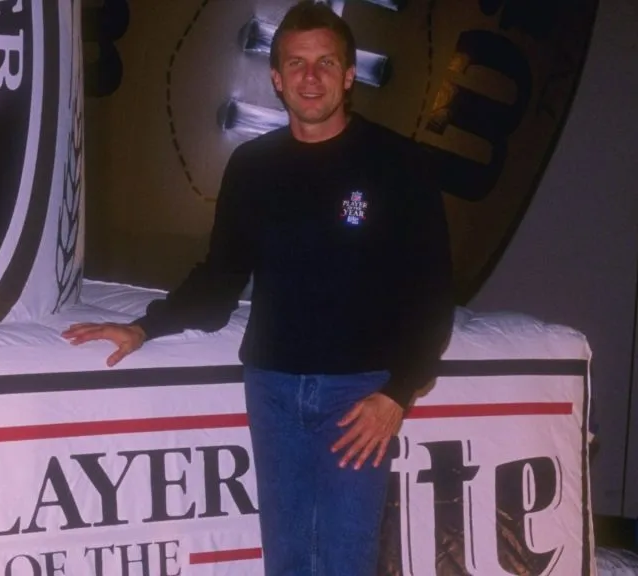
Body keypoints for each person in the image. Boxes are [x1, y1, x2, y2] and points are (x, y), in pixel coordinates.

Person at [62, 1, 455, 573]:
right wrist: (145, 326)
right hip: (272, 386)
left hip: (360, 395)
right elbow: (220, 277)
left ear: (349, 75)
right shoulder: (252, 167)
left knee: (345, 561)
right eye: (296, 64)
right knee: (289, 562)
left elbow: (432, 291)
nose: (311, 77)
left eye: (325, 62)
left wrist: (398, 392)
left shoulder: (399, 164)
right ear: (276, 78)